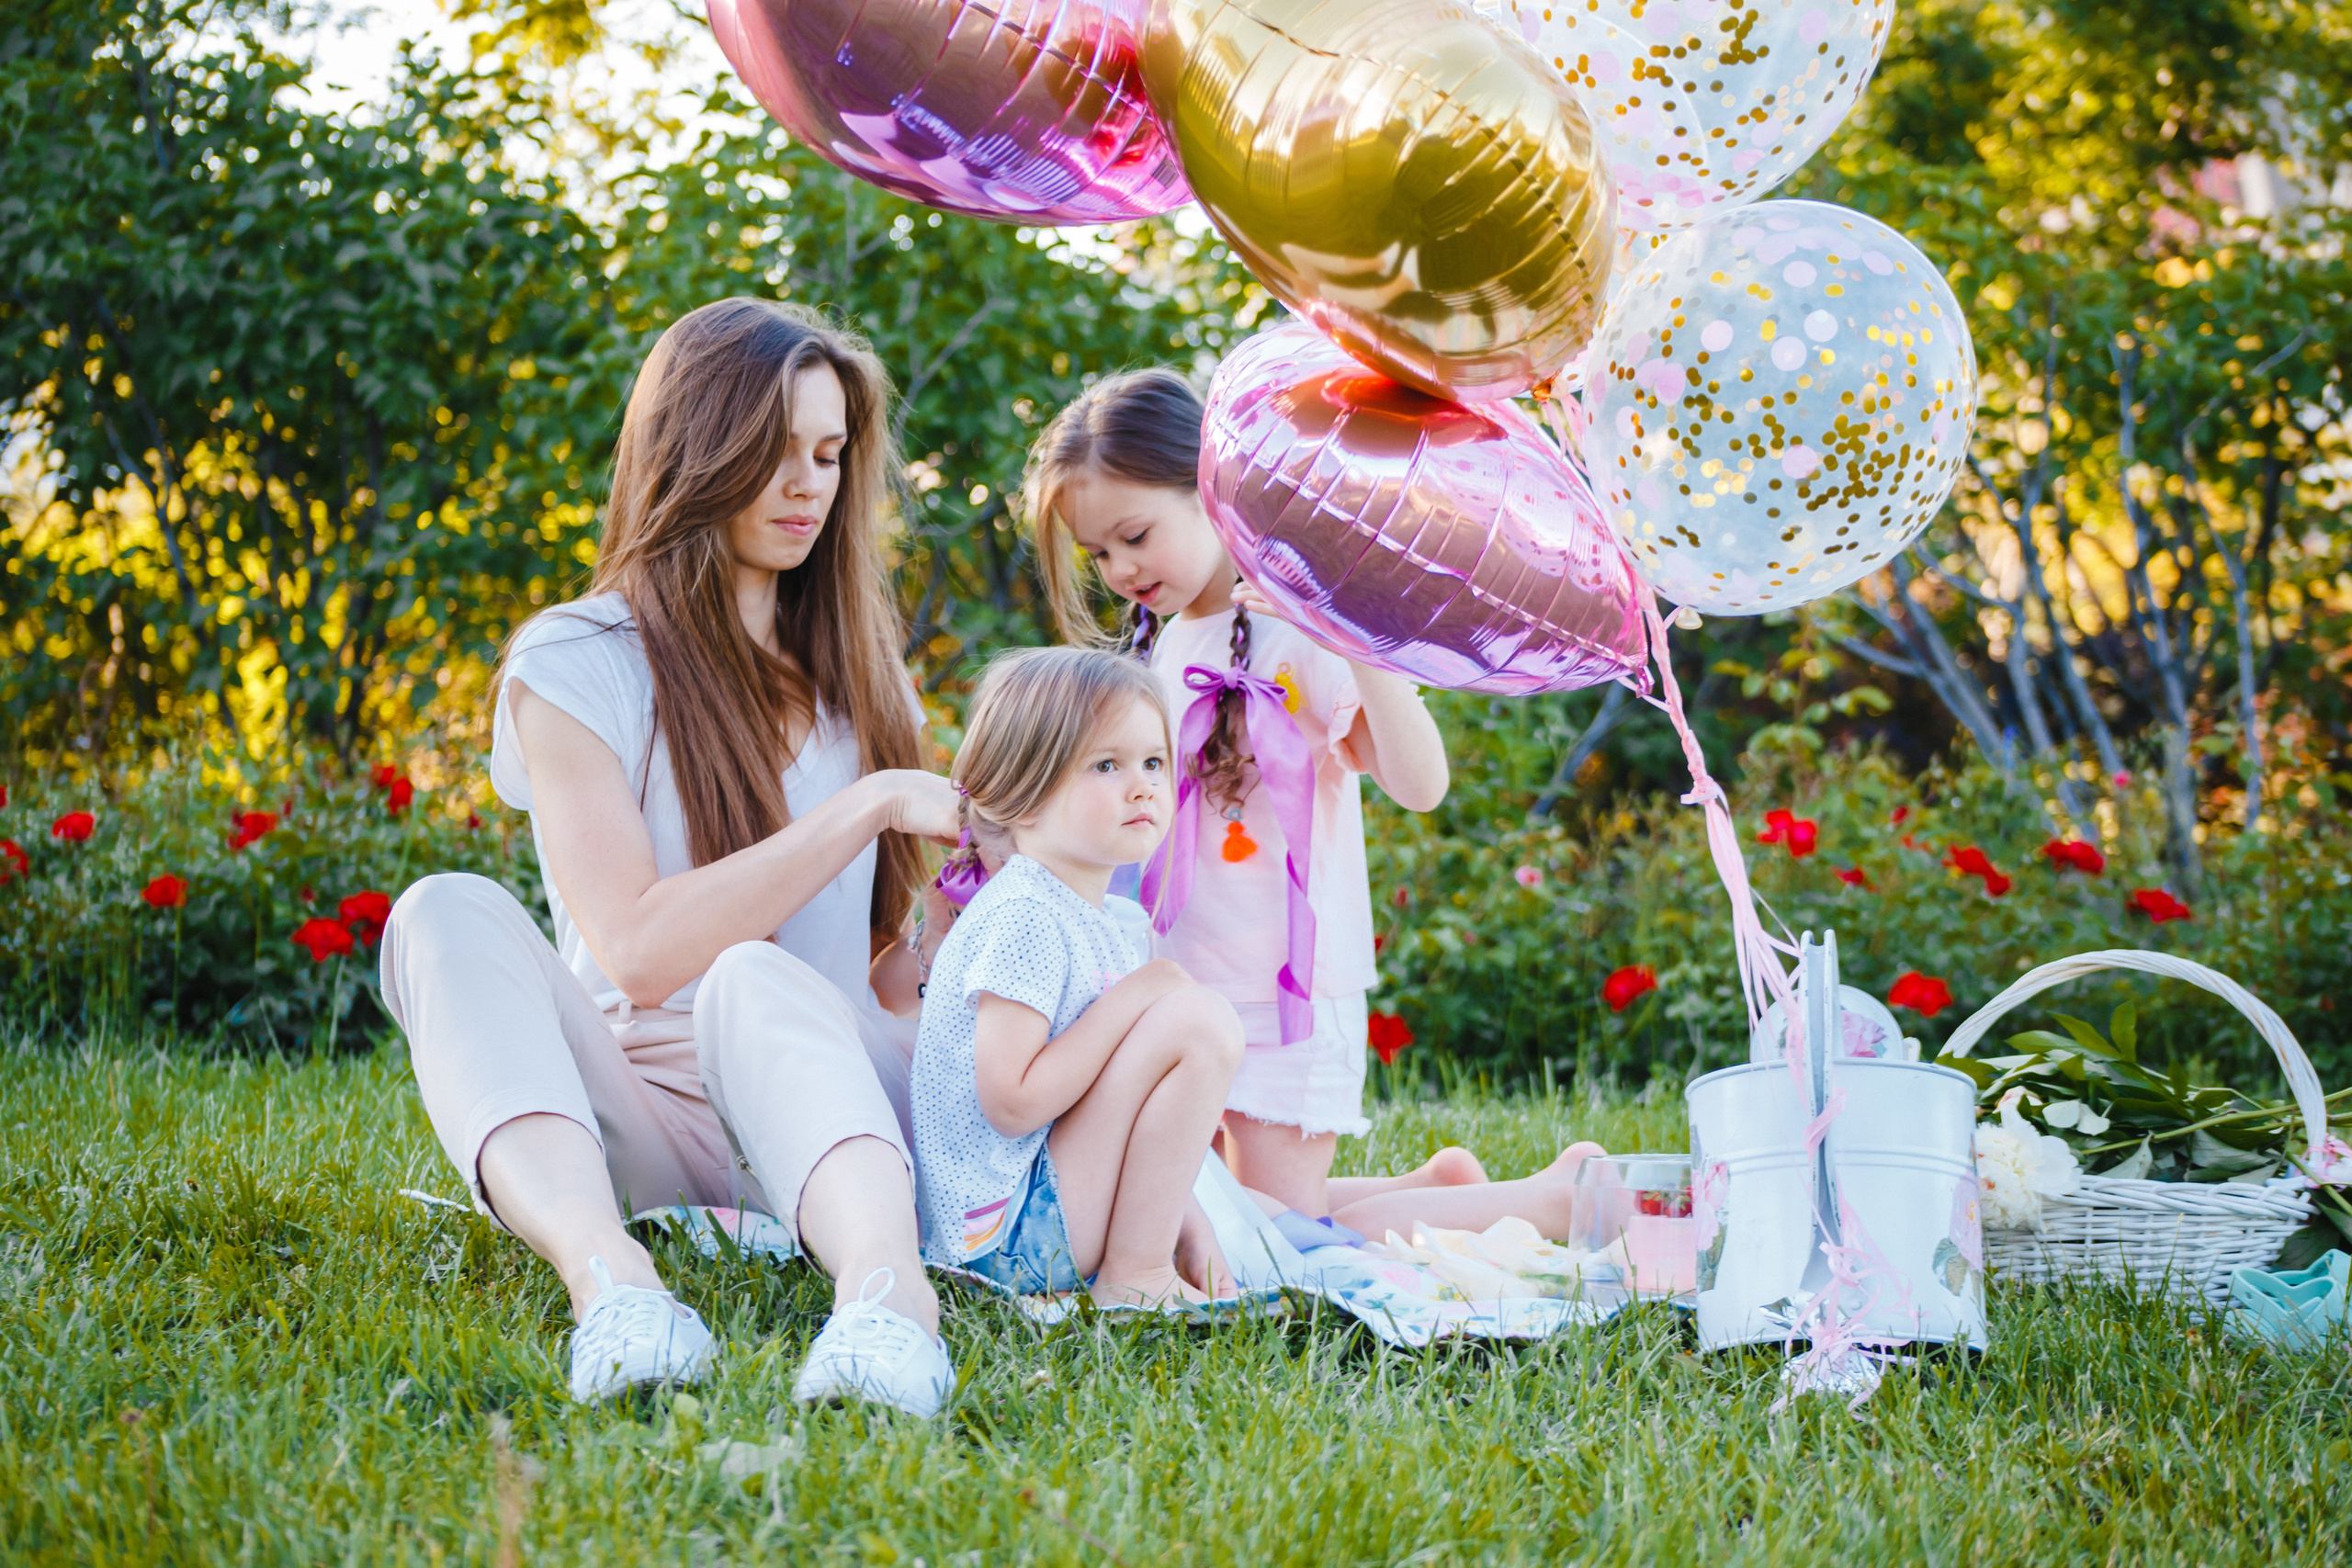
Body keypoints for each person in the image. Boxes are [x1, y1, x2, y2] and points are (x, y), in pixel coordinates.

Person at [380, 298, 964, 1416]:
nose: (808, 485)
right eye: (774, 452)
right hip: (638, 1114)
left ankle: (891, 1307)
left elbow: (889, 972)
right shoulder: (577, 659)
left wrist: (981, 909)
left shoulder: (865, 681)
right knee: (440, 909)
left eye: (830, 455)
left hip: (819, 1106)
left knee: (755, 978)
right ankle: (616, 1285)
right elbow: (639, 951)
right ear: (697, 450)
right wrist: (866, 806)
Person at [1022, 367, 1485, 1220]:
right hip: (1181, 986)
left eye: (1134, 535)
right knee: (1205, 1218)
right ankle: (1433, 1189)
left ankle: (1539, 1200)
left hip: (1285, 995)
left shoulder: (1294, 625)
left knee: (1270, 1239)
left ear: (1211, 487)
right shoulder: (1154, 648)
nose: (1121, 568)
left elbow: (1421, 784)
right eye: (1099, 554)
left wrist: (1349, 630)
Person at [910, 647, 1247, 1308]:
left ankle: (1147, 1258)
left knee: (1192, 1019)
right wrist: (1138, 996)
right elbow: (1012, 1102)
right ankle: (1135, 1274)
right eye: (1106, 765)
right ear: (1023, 796)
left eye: (1152, 761)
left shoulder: (1101, 917)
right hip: (1001, 1236)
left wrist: (1194, 1229)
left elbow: (1128, 1107)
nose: (1143, 785)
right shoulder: (1025, 913)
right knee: (1198, 1022)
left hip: (1044, 1212)